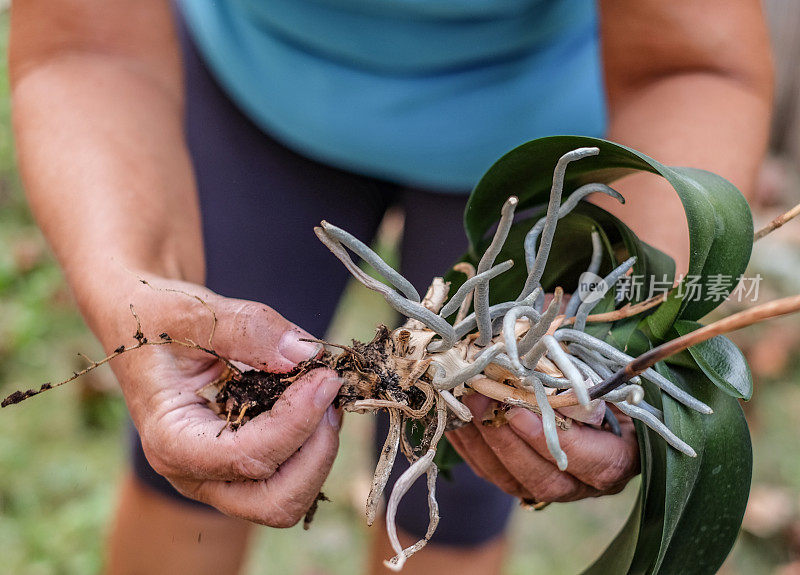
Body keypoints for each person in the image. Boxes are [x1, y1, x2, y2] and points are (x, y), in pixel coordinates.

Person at [9, 1, 772, 574]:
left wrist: (612, 332)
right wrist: (131, 286)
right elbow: (87, 46)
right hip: (263, 77)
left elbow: (696, 58)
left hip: (537, 129)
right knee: (201, 437)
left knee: (461, 484)